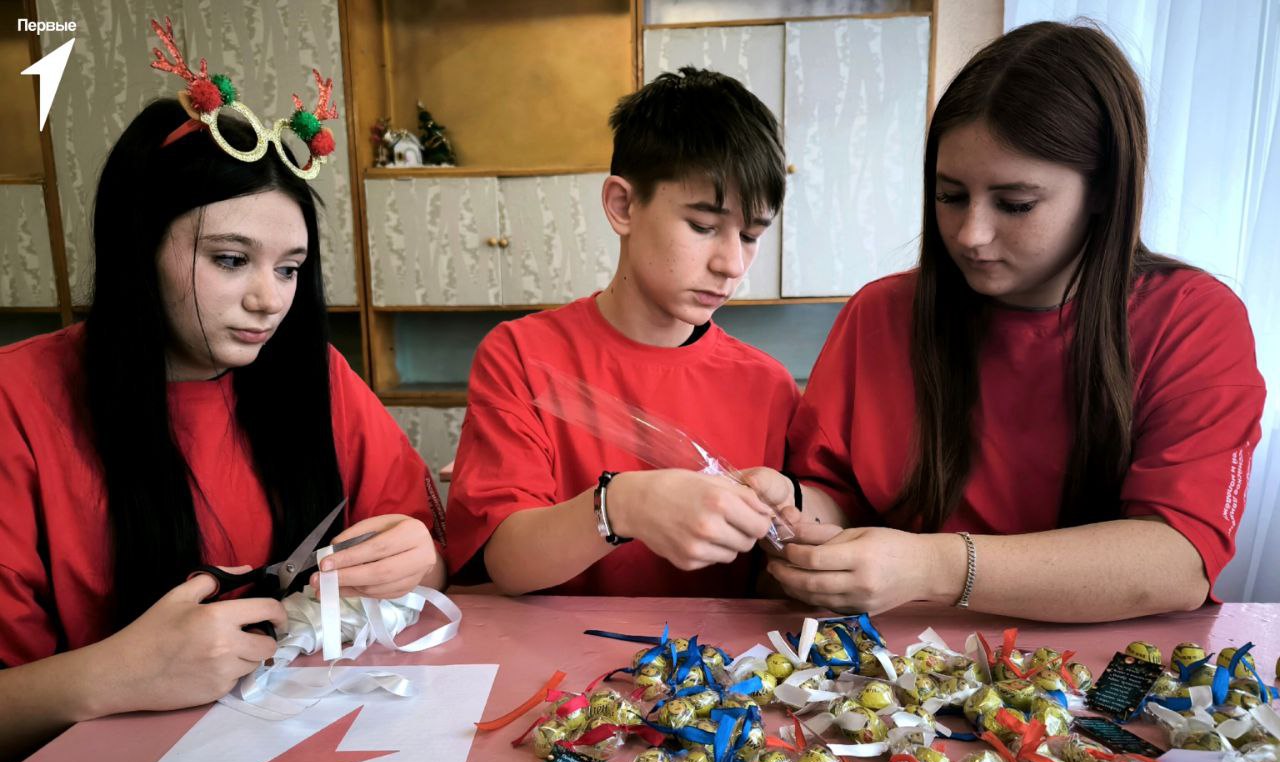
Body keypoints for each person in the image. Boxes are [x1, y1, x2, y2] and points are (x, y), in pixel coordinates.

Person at [0, 50, 444, 762]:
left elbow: (426, 560)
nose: (269, 300)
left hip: (305, 747)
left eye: (289, 268)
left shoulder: (313, 375)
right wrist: (115, 674)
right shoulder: (18, 401)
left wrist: (414, 560)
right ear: (138, 249)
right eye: (231, 260)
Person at [752, 21, 1265, 622]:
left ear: (1103, 189)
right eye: (950, 196)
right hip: (899, 661)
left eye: (1015, 204)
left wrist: (935, 566)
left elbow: (1177, 559)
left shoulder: (1192, 319)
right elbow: (838, 496)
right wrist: (789, 506)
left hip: (1106, 660)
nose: (971, 234)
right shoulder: (879, 314)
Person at [446, 67, 799, 596]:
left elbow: (783, 566)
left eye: (750, 236)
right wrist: (623, 506)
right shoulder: (521, 356)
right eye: (703, 226)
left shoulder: (767, 386)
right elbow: (505, 560)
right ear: (623, 206)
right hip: (559, 649)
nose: (732, 264)